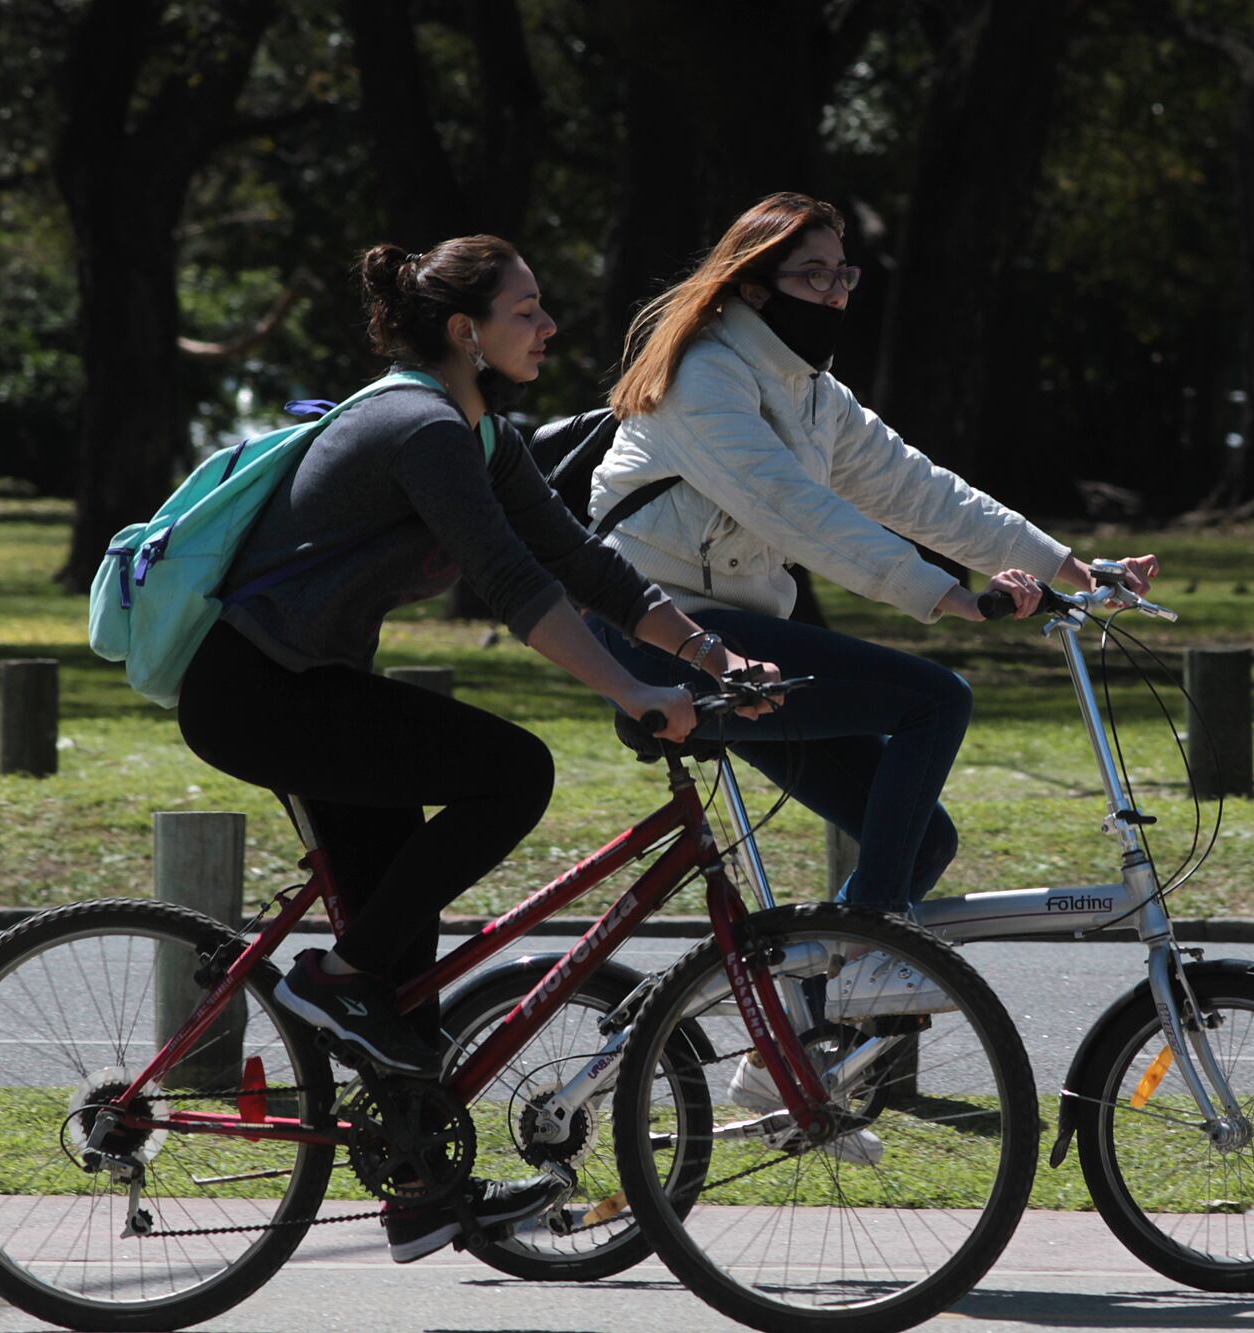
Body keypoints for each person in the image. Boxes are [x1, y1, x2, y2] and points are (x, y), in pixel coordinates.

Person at [175, 234, 772, 1261]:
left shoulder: (477, 432)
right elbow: (510, 582)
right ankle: (331, 982)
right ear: (466, 330)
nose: (546, 326)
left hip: (309, 689)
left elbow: (579, 562)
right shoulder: (421, 429)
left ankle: (416, 1187)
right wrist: (631, 687)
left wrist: (710, 654)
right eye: (526, 309)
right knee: (512, 772)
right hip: (259, 694)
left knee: (401, 974)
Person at [586, 192, 1157, 1158]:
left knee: (919, 836)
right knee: (936, 697)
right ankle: (877, 942)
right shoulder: (704, 380)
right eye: (814, 276)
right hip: (665, 638)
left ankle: (786, 1054)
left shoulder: (809, 388)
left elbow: (920, 489)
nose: (837, 293)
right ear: (751, 285)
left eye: (845, 274)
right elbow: (798, 510)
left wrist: (1072, 568)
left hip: (734, 637)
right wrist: (948, 598)